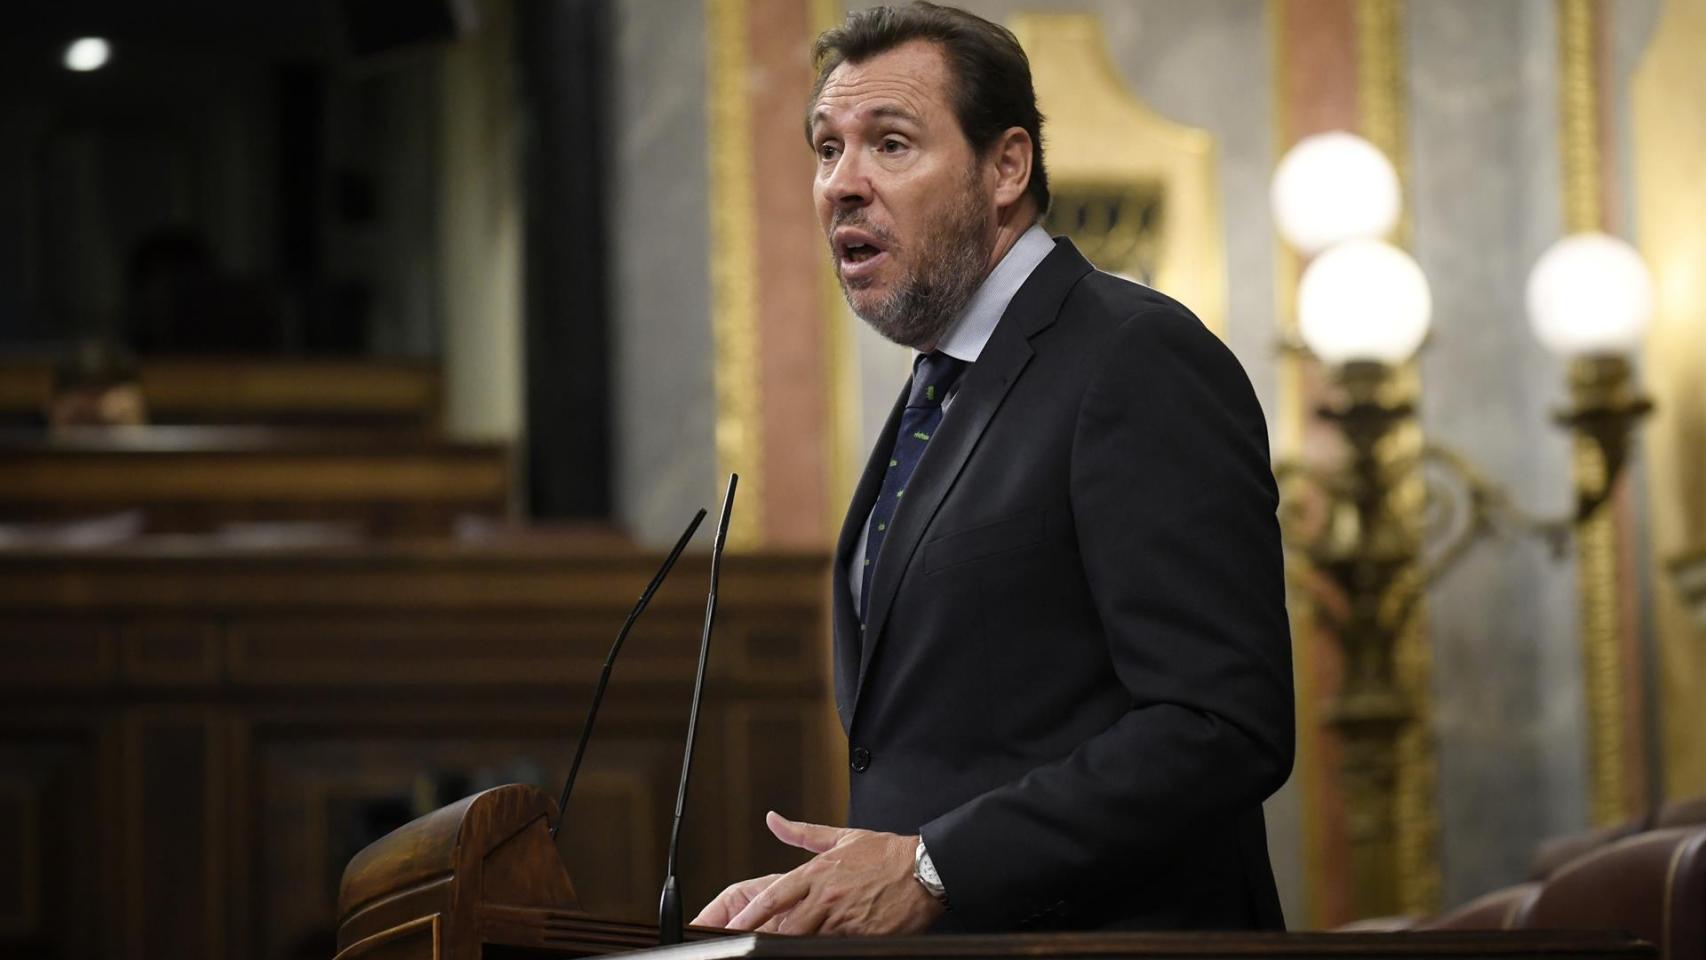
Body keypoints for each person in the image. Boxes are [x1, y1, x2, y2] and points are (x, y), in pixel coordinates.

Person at [693, 2, 1293, 936]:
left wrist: (935, 869)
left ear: (1006, 166)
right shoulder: (941, 388)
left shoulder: (1132, 359)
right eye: (825, 149)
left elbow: (1219, 725)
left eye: (889, 144)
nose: (842, 184)